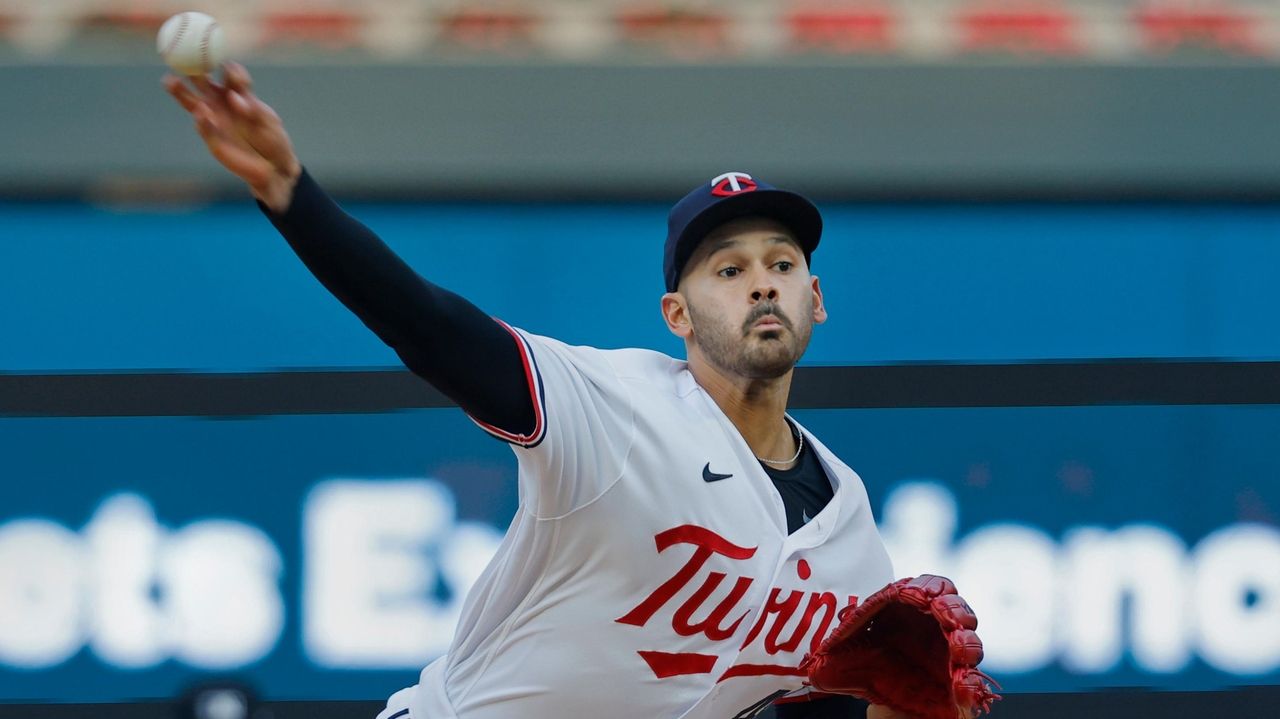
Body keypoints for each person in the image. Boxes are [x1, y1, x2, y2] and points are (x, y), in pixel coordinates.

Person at [164, 64, 913, 719]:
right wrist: (295, 198)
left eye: (781, 264)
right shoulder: (617, 407)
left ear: (814, 297)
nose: (760, 282)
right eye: (728, 268)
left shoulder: (850, 529)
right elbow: (433, 330)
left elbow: (807, 706)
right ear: (676, 316)